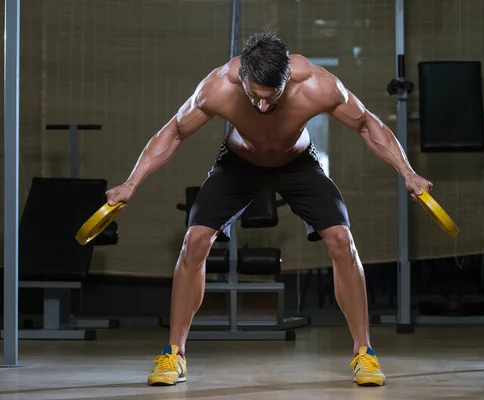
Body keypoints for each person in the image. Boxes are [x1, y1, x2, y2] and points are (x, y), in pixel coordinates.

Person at [105, 30, 432, 387]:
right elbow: (173, 132)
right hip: (238, 164)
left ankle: (364, 353)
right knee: (194, 241)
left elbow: (368, 124)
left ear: (287, 79)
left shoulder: (318, 84)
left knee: (342, 239)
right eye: (254, 98)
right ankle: (174, 354)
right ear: (243, 77)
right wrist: (132, 182)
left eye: (271, 99)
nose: (262, 107)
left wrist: (408, 173)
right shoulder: (218, 86)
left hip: (297, 163)